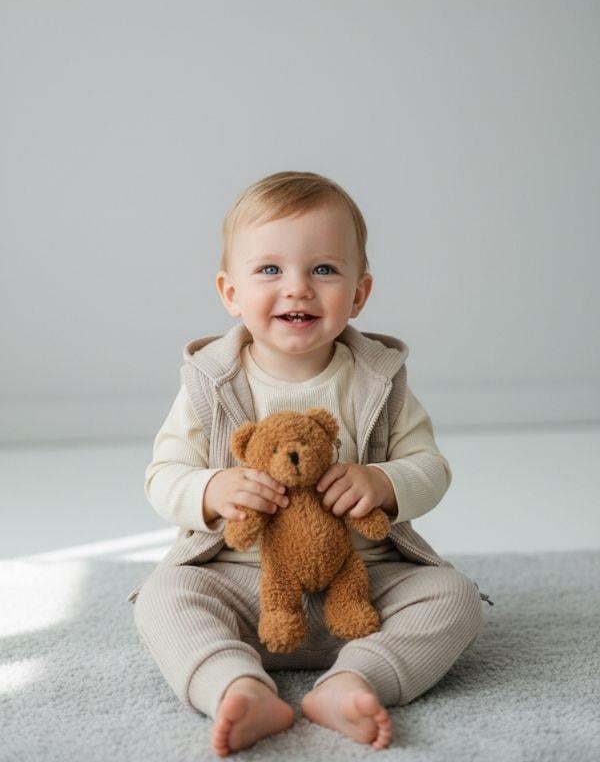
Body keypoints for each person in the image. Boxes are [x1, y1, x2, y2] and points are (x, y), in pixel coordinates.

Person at [129, 170, 492, 756]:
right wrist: (213, 489)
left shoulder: (377, 379)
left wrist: (383, 481)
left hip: (364, 583)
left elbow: (431, 466)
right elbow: (162, 474)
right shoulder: (210, 384)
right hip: (246, 586)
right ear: (230, 292)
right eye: (269, 270)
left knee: (454, 597)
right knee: (164, 594)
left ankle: (353, 681)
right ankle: (237, 686)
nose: (297, 288)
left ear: (358, 294)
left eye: (323, 269)